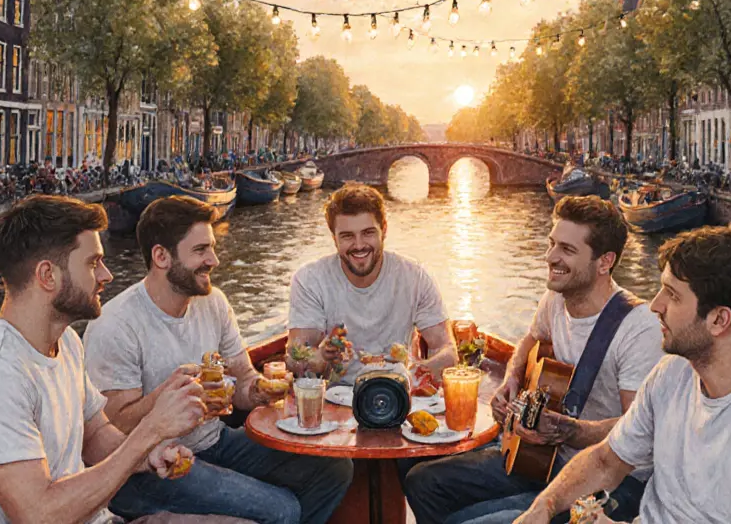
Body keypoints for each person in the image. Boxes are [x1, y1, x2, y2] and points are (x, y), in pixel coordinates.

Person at [513, 228, 731, 524]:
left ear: (718, 320)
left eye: (672, 294)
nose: (655, 305)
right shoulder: (673, 372)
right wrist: (544, 506)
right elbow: (606, 461)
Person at [0, 195, 207, 524]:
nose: (107, 275)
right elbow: (38, 515)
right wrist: (149, 432)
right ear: (47, 276)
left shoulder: (66, 341)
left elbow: (95, 434)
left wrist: (150, 455)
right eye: (92, 263)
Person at [85, 195, 353, 524]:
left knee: (335, 469)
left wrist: (258, 390)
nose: (214, 260)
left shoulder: (213, 302)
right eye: (200, 250)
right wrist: (169, 397)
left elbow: (242, 378)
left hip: (214, 440)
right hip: (148, 469)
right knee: (282, 509)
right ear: (161, 256)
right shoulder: (116, 324)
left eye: (211, 247)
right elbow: (110, 428)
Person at [404, 196, 664, 524]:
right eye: (552, 243)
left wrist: (570, 430)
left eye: (567, 250)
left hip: (612, 483)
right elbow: (530, 341)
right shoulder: (555, 297)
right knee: (423, 482)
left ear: (605, 262)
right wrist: (512, 379)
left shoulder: (638, 329)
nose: (551, 257)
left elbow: (639, 427)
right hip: (545, 458)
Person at [287, 183, 456, 384]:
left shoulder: (416, 278)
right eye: (347, 236)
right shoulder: (309, 280)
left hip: (397, 392)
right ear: (334, 238)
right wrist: (321, 356)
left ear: (384, 230)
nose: (359, 245)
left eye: (368, 233)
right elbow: (294, 358)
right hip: (334, 398)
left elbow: (448, 350)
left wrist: (419, 372)